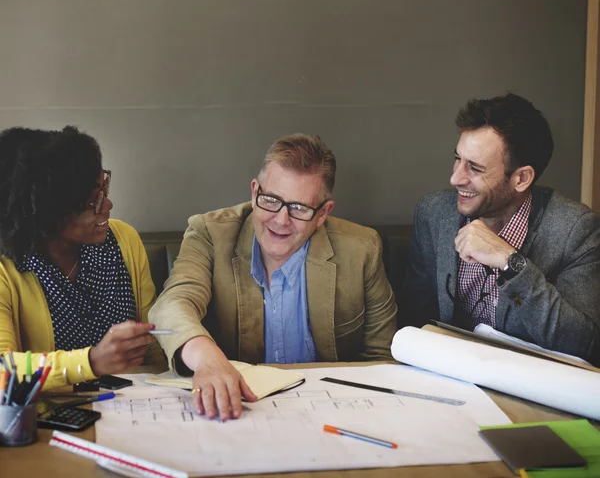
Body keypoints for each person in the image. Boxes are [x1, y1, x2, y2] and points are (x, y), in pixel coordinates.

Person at [150, 134, 397, 420]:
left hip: (329, 414)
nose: (281, 220)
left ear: (322, 214)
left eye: (299, 208)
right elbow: (171, 306)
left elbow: (382, 360)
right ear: (255, 193)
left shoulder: (362, 249)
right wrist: (207, 359)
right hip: (238, 411)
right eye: (271, 200)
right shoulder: (210, 233)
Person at [401, 93, 600, 365]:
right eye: (457, 159)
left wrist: (511, 263)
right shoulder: (433, 214)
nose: (455, 178)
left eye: (475, 168)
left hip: (529, 385)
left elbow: (585, 346)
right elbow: (416, 318)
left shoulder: (575, 230)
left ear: (521, 178)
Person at [0, 126, 163, 391]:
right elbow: (3, 370)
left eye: (103, 189)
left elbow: (156, 345)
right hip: (54, 417)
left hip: (135, 405)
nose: (107, 205)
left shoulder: (124, 240)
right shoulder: (7, 269)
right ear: (45, 214)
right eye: (91, 202)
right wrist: (92, 361)